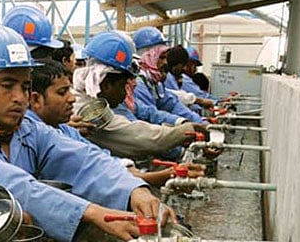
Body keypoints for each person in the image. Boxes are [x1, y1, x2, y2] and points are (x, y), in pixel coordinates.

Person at [0, 26, 172, 242]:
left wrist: (134, 190)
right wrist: (93, 213)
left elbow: (84, 159)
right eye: (7, 85)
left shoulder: (28, 130)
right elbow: (15, 188)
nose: (19, 97)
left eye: (25, 87)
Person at [29, 59, 204, 187]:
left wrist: (134, 172)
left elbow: (96, 157)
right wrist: (184, 135)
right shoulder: (80, 114)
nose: (71, 98)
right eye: (62, 92)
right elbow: (140, 138)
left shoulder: (64, 127)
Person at [72, 31, 206, 161]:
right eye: (123, 85)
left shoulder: (98, 97)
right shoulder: (91, 112)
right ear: (107, 85)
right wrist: (186, 134)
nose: (127, 91)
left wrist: (183, 123)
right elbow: (141, 137)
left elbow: (149, 112)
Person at [132, 27, 206, 123]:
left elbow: (172, 104)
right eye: (161, 57)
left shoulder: (155, 83)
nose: (166, 62)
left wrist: (199, 122)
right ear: (146, 57)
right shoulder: (138, 84)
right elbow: (150, 116)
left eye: (166, 58)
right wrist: (181, 122)